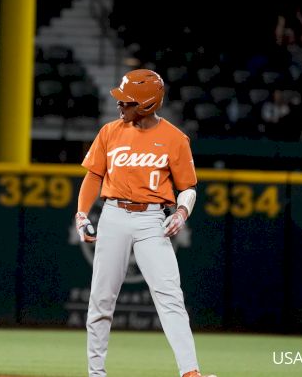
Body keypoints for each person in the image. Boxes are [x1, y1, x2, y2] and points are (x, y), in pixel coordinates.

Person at [74, 69, 216, 377]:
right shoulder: (110, 132)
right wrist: (82, 213)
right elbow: (94, 175)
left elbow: (188, 188)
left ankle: (190, 372)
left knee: (170, 296)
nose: (120, 105)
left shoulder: (175, 139)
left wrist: (181, 213)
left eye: (127, 102)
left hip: (153, 220)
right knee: (101, 298)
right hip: (112, 214)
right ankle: (96, 373)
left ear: (148, 104)